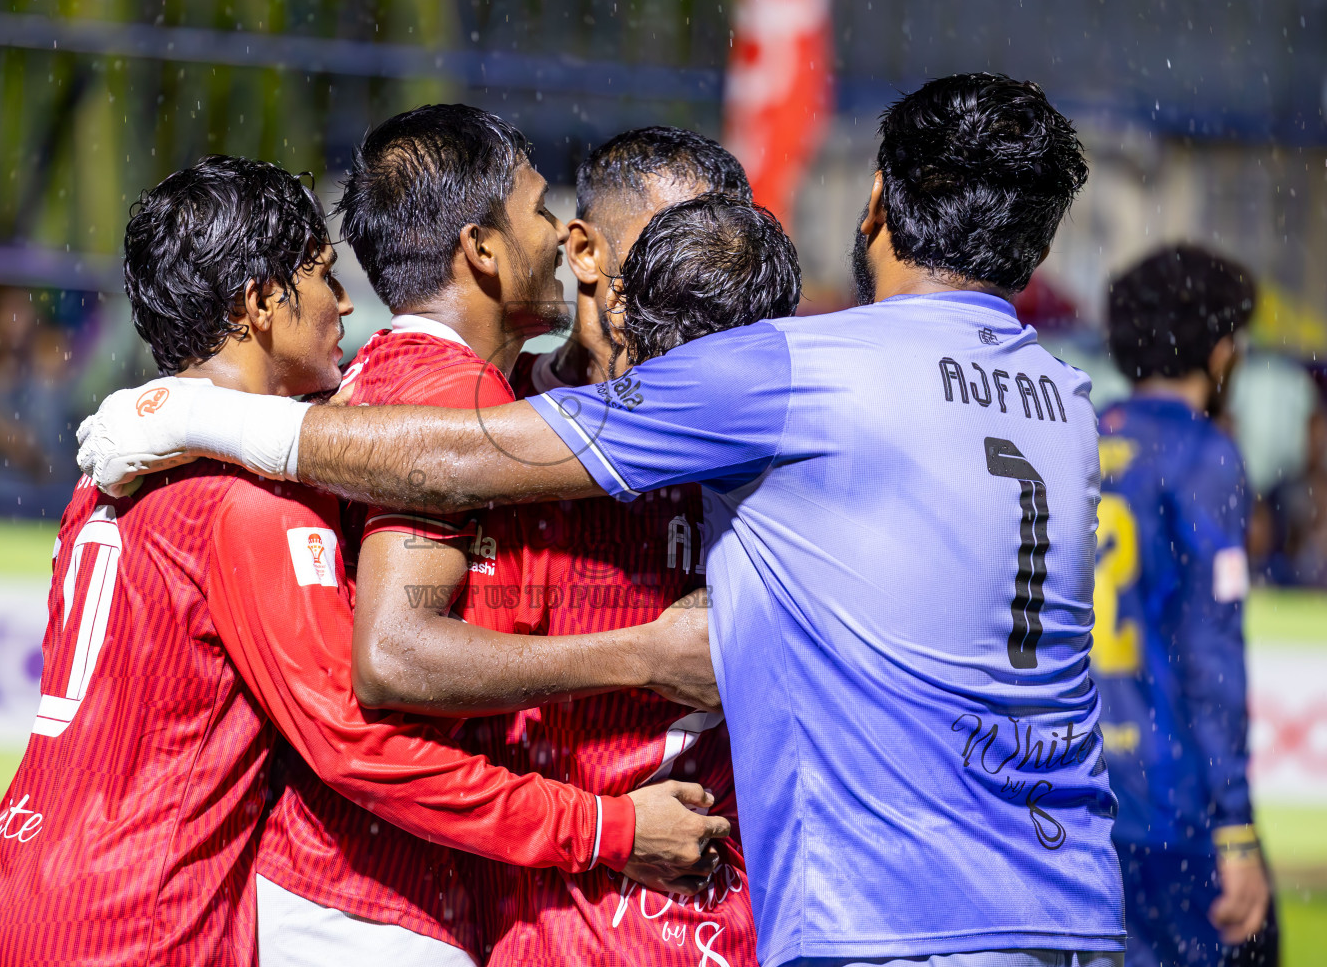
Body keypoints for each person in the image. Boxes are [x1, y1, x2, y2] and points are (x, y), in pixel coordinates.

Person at [77, 73, 1126, 966]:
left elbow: (467, 459)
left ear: (875, 211)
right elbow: (401, 629)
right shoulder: (1066, 405)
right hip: (1067, 894)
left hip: (893, 916)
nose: (684, 296)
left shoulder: (798, 372)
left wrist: (209, 416)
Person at [0, 155, 725, 967]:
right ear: (260, 305)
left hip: (13, 881)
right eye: (322, 277)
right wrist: (607, 824)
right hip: (134, 921)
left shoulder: (113, 470)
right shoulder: (249, 505)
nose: (347, 303)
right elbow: (361, 744)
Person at [243, 106, 724, 967]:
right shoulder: (457, 402)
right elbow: (396, 657)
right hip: (372, 908)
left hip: (402, 896)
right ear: (487, 250)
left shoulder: (403, 382)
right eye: (539, 212)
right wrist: (646, 655)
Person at [462, 129, 772, 966]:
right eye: (672, 248)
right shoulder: (476, 417)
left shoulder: (756, 441)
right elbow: (393, 669)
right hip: (492, 903)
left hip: (683, 916)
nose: (699, 279)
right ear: (586, 251)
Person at [1095, 245, 1276, 967]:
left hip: (1072, 789)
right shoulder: (1204, 454)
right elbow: (1210, 654)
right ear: (1222, 348)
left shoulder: (1078, 433)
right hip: (1170, 798)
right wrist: (1235, 828)